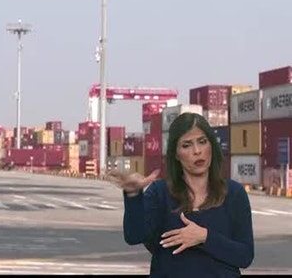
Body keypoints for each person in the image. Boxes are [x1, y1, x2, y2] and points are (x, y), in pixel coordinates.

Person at [109, 112, 254, 277]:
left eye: (202, 142)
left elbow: (245, 256)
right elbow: (134, 236)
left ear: (212, 146)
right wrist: (134, 195)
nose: (197, 151)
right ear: (176, 154)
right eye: (186, 145)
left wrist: (205, 237)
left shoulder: (234, 193)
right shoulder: (160, 192)